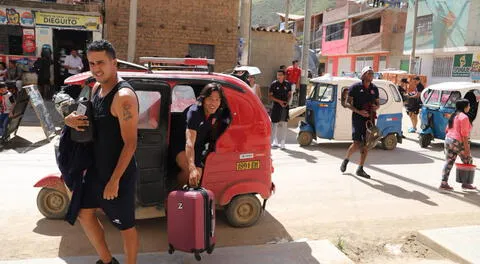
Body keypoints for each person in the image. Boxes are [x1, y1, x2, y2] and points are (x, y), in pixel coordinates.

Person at [64, 40, 139, 264]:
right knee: (84, 213)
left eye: (101, 63)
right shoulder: (96, 88)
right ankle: (107, 261)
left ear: (114, 63)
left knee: (126, 227)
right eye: (91, 63)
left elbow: (131, 143)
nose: (96, 68)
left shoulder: (124, 97)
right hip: (96, 170)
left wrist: (114, 180)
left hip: (119, 175)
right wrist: (69, 120)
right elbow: (86, 118)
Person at [174, 83, 227, 187]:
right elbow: (189, 143)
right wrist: (192, 167)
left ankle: (189, 197)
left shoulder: (216, 111)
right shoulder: (194, 113)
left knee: (197, 176)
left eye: (217, 99)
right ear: (203, 99)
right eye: (210, 99)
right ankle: (174, 194)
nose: (214, 103)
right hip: (182, 144)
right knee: (189, 171)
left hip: (198, 146)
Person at [340, 66, 379, 179]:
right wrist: (359, 112)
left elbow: (378, 104)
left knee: (366, 145)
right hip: (357, 118)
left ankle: (360, 168)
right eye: (369, 73)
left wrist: (375, 107)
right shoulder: (355, 87)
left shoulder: (374, 89)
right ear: (363, 75)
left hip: (370, 119)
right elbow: (347, 103)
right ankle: (346, 159)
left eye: (372, 73)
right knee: (357, 143)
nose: (371, 75)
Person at [440, 99, 476, 191]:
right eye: (468, 105)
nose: (469, 107)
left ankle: (443, 183)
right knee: (468, 160)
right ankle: (466, 183)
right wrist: (467, 149)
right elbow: (464, 135)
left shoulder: (453, 115)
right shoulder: (464, 117)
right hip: (458, 141)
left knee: (448, 162)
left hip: (448, 140)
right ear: (464, 107)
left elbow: (447, 129)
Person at [269, 70, 291, 149]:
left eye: (280, 75)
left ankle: (283, 142)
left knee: (284, 124)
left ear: (284, 76)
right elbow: (270, 96)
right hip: (276, 106)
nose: (278, 76)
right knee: (275, 124)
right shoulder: (274, 84)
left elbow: (289, 94)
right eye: (277, 75)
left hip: (285, 107)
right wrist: (279, 102)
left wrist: (287, 102)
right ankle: (275, 141)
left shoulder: (288, 84)